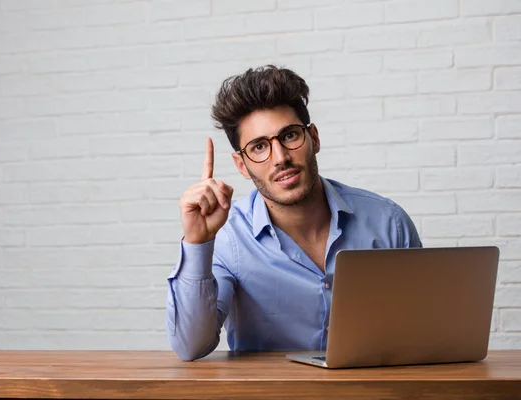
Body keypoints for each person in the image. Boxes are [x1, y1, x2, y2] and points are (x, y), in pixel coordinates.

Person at [166, 65, 422, 361]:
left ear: (314, 138)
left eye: (289, 136)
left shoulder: (388, 223)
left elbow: (419, 332)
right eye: (259, 146)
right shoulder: (228, 238)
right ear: (241, 165)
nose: (281, 158)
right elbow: (190, 346)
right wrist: (197, 242)